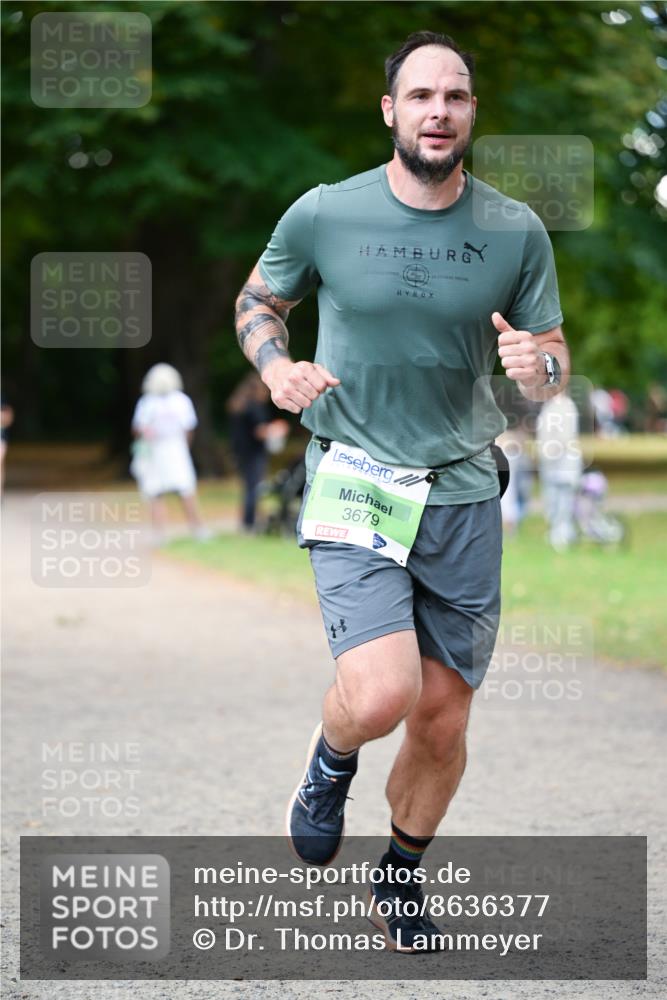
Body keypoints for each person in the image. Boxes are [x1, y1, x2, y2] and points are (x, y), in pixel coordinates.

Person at [234, 30, 570, 952]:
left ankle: (401, 873)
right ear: (389, 111)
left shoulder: (515, 231)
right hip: (353, 475)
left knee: (441, 711)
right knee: (379, 695)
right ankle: (330, 758)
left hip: (460, 488)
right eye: (419, 96)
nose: (437, 111)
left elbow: (550, 364)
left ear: (471, 113)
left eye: (455, 97)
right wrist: (275, 369)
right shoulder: (323, 213)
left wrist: (534, 365)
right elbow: (258, 301)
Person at [130, 363, 210, 543]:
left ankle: (192, 529)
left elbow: (137, 428)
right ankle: (175, 531)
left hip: (170, 448)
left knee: (178, 489)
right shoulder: (170, 401)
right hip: (165, 449)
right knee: (163, 490)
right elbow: (189, 429)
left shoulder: (153, 401)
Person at [226, 372, 288, 531]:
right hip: (254, 452)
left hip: (240, 452)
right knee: (254, 487)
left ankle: (247, 520)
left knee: (248, 486)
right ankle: (249, 523)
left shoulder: (240, 405)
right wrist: (277, 428)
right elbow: (260, 431)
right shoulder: (256, 407)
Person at [536, 391, 583, 551]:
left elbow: (564, 436)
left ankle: (563, 534)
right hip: (551, 463)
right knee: (553, 500)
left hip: (563, 462)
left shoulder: (566, 406)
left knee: (564, 500)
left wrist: (550, 452)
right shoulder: (549, 406)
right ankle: (558, 532)